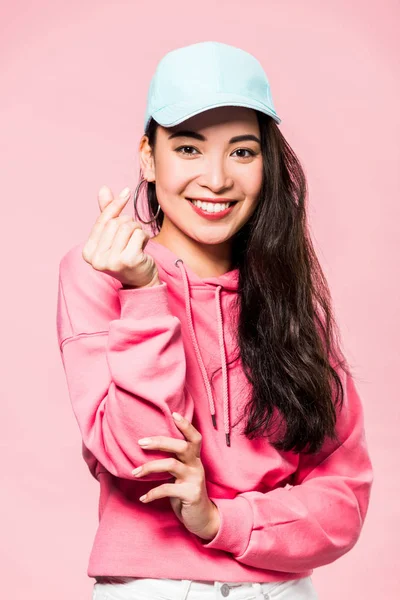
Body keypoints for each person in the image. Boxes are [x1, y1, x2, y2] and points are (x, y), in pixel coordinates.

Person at [56, 41, 373, 600]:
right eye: (189, 148)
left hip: (282, 590)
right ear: (149, 158)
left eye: (243, 152)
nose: (218, 178)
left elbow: (344, 498)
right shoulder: (99, 274)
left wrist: (220, 520)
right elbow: (138, 456)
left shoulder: (289, 298)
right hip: (151, 588)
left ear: (266, 164)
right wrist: (145, 293)